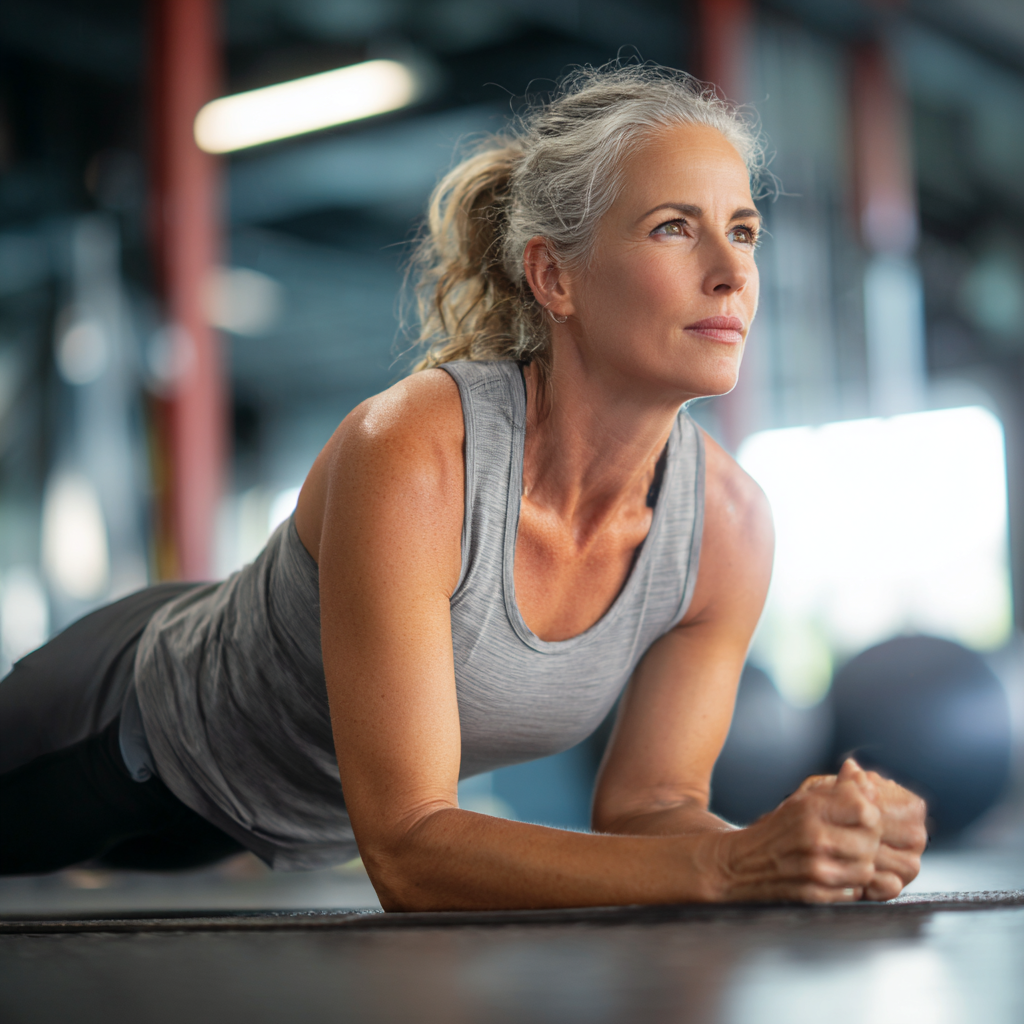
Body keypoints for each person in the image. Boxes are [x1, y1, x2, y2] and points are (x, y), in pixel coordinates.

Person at [0, 64, 927, 907]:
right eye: (674, 228)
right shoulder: (413, 450)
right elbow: (407, 849)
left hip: (266, 825)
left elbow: (653, 808)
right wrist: (734, 867)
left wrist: (799, 856)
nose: (731, 274)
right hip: (119, 737)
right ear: (553, 277)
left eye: (744, 231)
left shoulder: (728, 526)